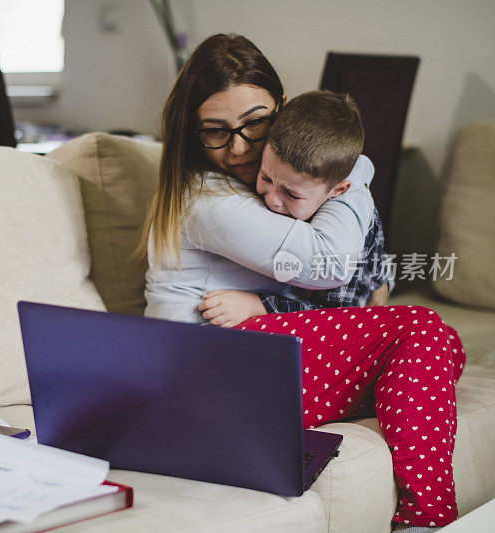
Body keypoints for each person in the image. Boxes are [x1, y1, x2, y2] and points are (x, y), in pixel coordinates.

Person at [141, 33, 465, 531]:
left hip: (238, 364)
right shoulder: (205, 199)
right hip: (204, 375)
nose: (241, 147)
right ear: (191, 132)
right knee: (420, 331)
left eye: (255, 123)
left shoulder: (264, 179)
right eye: (216, 132)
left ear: (284, 112)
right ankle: (430, 518)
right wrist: (352, 166)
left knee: (433, 347)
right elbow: (330, 263)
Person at [198, 89, 394, 327]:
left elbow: (336, 315)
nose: (272, 199)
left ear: (338, 191)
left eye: (291, 194)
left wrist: (259, 305)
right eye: (266, 178)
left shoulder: (348, 233)